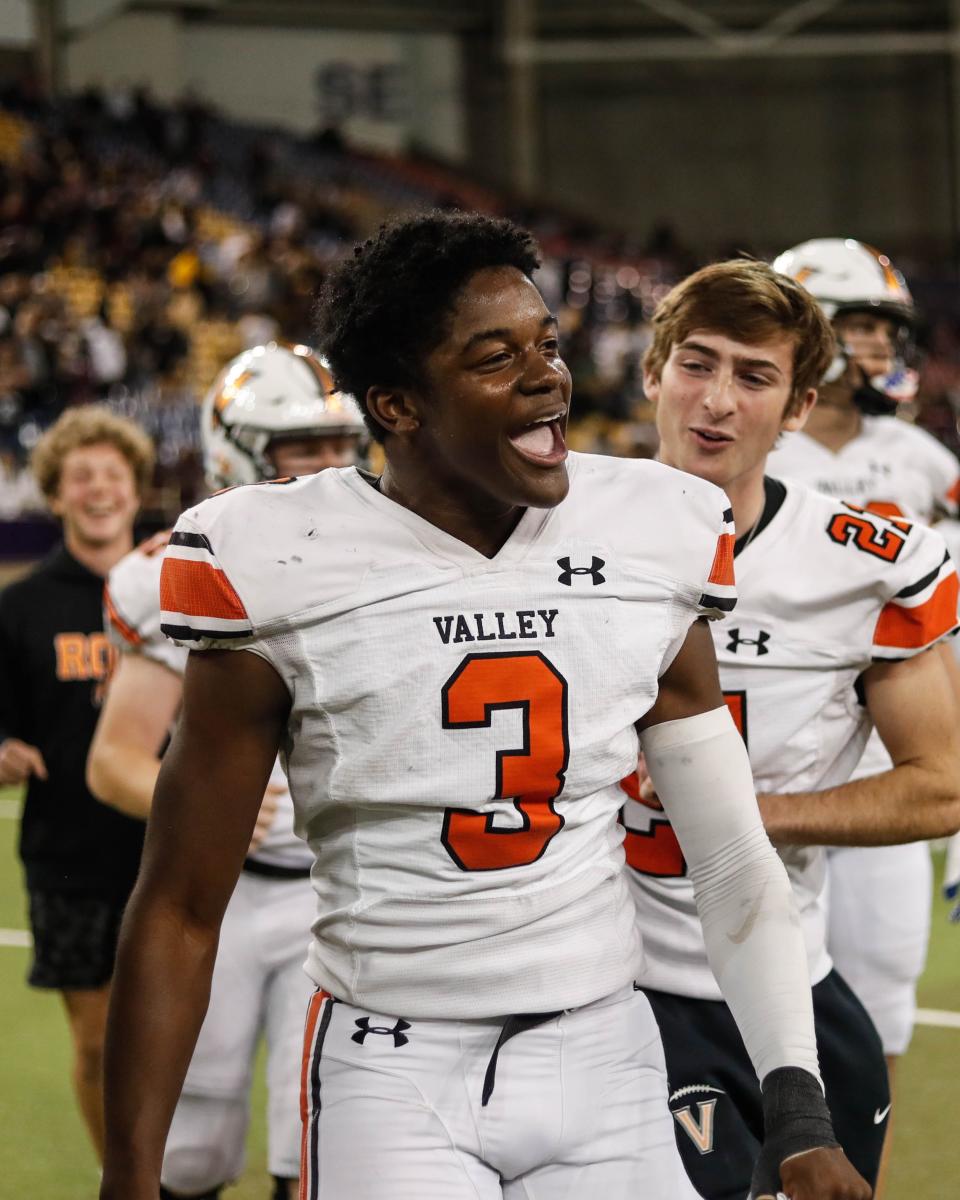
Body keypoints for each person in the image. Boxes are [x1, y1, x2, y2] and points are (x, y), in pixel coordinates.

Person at [99, 211, 869, 1200]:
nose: (550, 376)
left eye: (547, 344)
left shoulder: (653, 531)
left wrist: (798, 1110)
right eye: (495, 358)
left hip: (606, 1051)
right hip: (391, 1059)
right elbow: (179, 904)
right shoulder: (278, 561)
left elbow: (723, 852)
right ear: (398, 404)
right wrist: (129, 1178)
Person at [623, 257, 960, 1200]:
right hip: (607, 987)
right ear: (654, 372)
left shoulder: (862, 566)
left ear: (799, 408)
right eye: (696, 363)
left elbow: (943, 783)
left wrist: (749, 815)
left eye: (754, 376)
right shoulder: (551, 527)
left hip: (792, 985)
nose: (716, 400)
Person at [86, 343, 366, 1200]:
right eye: (300, 447)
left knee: (319, 1147)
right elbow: (114, 759)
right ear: (238, 451)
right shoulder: (179, 571)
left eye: (339, 444)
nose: (328, 466)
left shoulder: (392, 558)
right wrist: (214, 816)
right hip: (231, 894)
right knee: (193, 1152)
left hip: (343, 892)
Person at [768, 237, 960, 1195]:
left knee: (882, 993)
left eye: (889, 330)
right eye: (862, 327)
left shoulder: (920, 458)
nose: (882, 349)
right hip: (774, 754)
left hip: (887, 759)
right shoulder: (748, 440)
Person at [0, 405, 155, 1162]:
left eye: (113, 476)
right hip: (71, 860)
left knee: (199, 1042)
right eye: (79, 477)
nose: (98, 490)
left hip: (179, 854)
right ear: (55, 496)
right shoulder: (20, 606)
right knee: (98, 1047)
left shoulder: (180, 590)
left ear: (137, 490)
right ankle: (124, 1178)